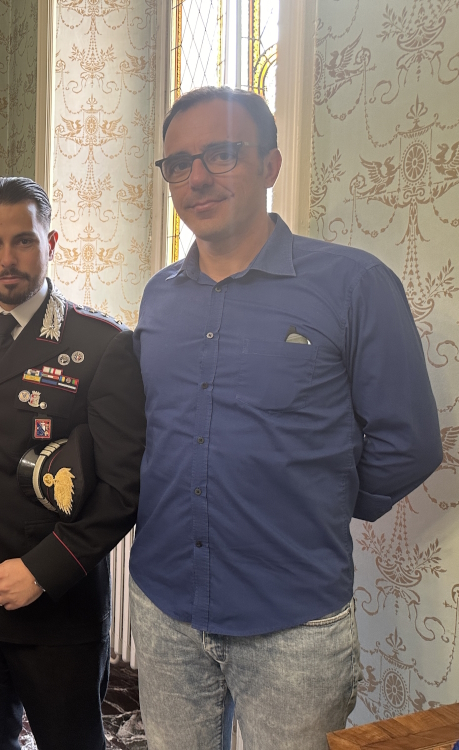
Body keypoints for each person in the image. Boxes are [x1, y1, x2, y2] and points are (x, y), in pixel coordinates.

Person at [125, 86, 442, 750]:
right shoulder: (159, 297)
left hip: (293, 627)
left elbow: (408, 442)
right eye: (178, 164)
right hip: (165, 607)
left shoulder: (354, 285)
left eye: (221, 154)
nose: (197, 178)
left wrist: (319, 499)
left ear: (270, 165)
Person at [0, 177, 145, 749]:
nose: (7, 258)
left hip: (55, 600)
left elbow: (123, 486)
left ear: (50, 242)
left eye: (23, 241)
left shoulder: (101, 343)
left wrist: (42, 571)